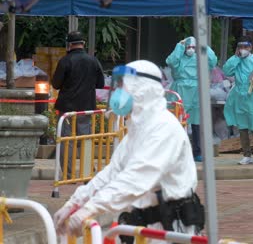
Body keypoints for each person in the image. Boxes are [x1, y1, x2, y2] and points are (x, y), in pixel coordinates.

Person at [53, 60, 203, 242]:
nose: (117, 92)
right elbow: (112, 173)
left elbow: (136, 178)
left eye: (122, 85)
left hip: (171, 228)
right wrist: (76, 202)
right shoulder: (138, 129)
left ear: (142, 89)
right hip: (144, 225)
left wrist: (90, 208)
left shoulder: (164, 129)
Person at [52, 31, 105, 179]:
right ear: (83, 44)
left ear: (69, 45)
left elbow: (56, 84)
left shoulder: (65, 61)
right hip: (86, 107)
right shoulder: (93, 61)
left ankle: (68, 176)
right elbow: (100, 83)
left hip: (67, 109)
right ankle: (87, 173)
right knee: (86, 139)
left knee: (66, 141)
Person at [166, 36, 218, 163]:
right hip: (180, 90)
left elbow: (213, 61)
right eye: (188, 47)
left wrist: (204, 45)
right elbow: (170, 61)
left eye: (193, 47)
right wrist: (179, 46)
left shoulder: (200, 59)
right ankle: (175, 151)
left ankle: (197, 151)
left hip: (197, 91)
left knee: (197, 123)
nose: (190, 49)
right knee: (176, 122)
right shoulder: (179, 58)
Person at [223, 36, 253, 165]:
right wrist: (235, 58)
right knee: (243, 127)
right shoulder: (236, 61)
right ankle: (247, 155)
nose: (243, 49)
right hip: (240, 97)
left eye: (245, 47)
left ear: (250, 47)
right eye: (240, 47)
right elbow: (226, 70)